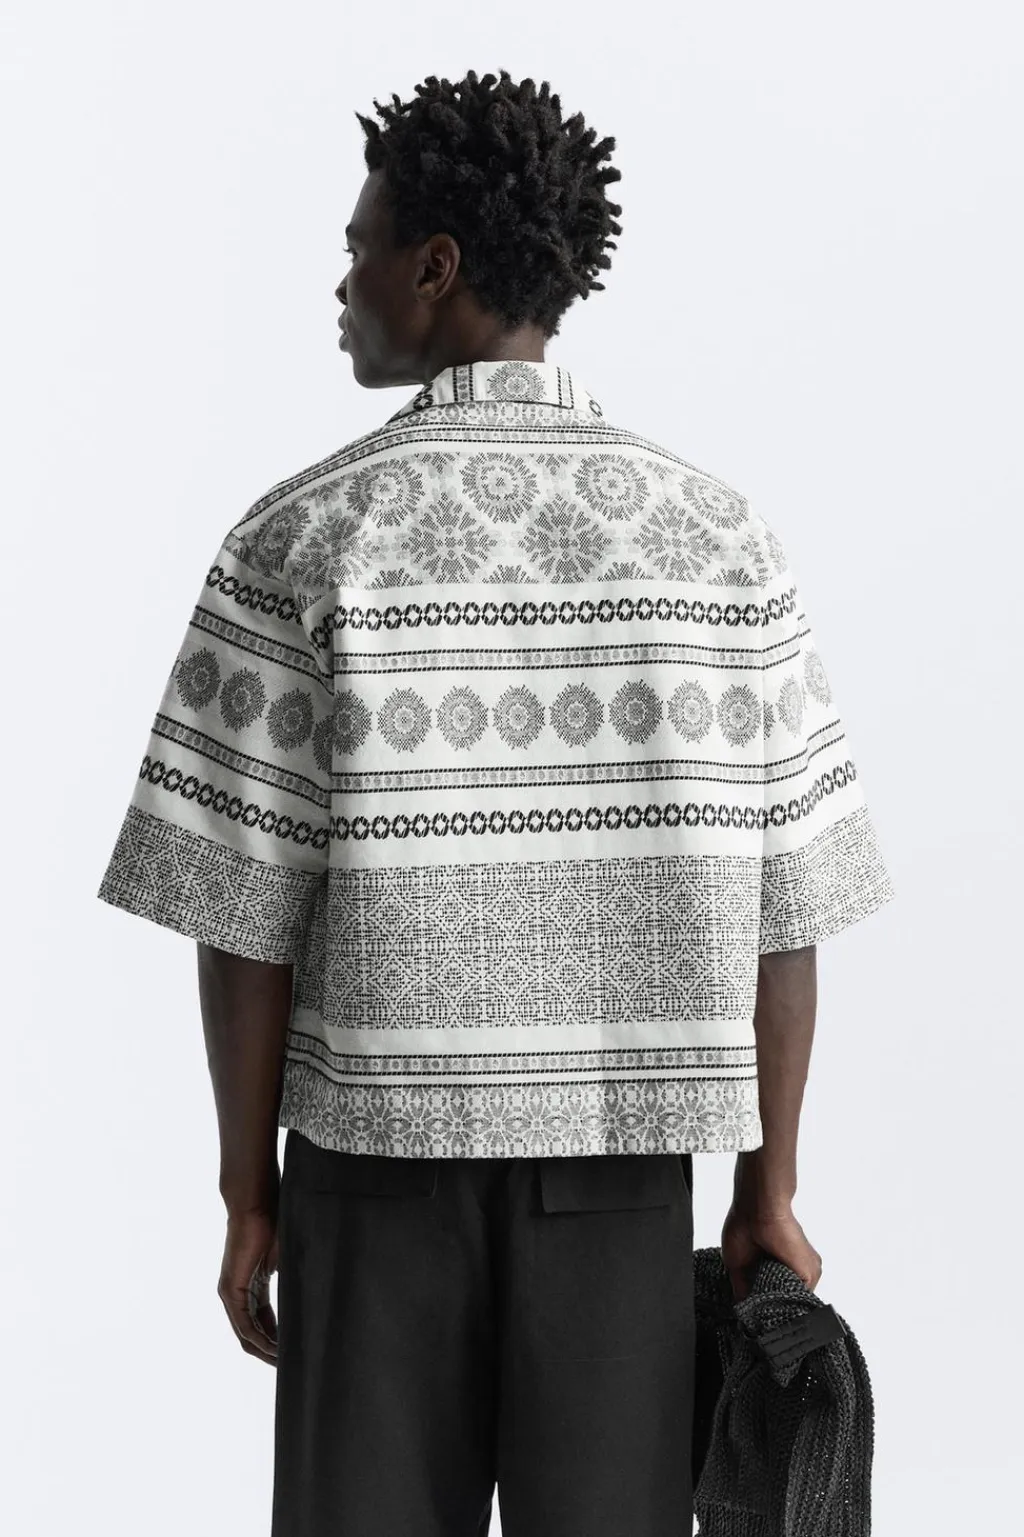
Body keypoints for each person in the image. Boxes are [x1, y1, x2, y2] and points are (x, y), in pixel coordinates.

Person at [97, 67, 894, 1537]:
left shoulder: (301, 538)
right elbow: (790, 911)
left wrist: (248, 1193)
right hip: (621, 1187)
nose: (342, 283)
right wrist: (767, 1191)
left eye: (359, 247)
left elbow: (240, 922)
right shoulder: (724, 544)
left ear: (437, 265)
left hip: (371, 1180)